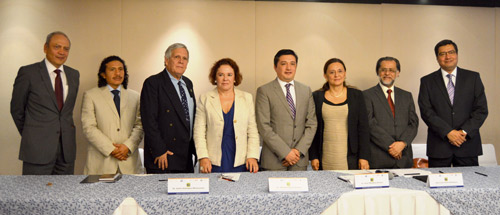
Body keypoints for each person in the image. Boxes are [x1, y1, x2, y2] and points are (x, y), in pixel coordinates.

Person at [10, 31, 80, 175]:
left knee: (65, 196)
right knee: (35, 195)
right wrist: (32, 134)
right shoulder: (28, 73)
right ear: (45, 48)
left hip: (66, 152)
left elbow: (66, 112)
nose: (62, 52)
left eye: (66, 49)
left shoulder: (74, 75)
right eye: (57, 47)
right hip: (37, 150)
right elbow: (17, 110)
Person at [418, 39, 488, 167]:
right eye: (442, 54)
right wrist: (448, 132)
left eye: (451, 52)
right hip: (439, 148)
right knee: (438, 186)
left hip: (467, 146)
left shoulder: (473, 78)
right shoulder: (427, 81)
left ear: (457, 54)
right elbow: (427, 112)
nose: (447, 56)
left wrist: (463, 132)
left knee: (471, 184)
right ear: (437, 57)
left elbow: (481, 110)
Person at [194, 58, 260, 173]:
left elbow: (252, 131)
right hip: (212, 161)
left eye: (229, 74)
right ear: (215, 78)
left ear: (235, 78)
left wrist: (253, 156)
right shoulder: (205, 98)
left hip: (241, 160)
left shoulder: (246, 98)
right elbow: (199, 132)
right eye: (221, 75)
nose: (225, 78)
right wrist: (203, 157)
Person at [255, 49, 317, 171]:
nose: (288, 68)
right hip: (274, 161)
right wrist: (285, 152)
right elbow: (264, 126)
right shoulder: (264, 91)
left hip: (299, 161)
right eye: (283, 64)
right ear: (275, 67)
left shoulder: (306, 90)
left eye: (292, 64)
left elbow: (312, 124)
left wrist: (297, 151)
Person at [81, 56, 143, 175]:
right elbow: (89, 128)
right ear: (103, 74)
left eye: (121, 69)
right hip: (101, 163)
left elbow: (139, 126)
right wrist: (112, 149)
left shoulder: (135, 97)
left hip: (129, 163)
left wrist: (127, 147)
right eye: (112, 69)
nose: (117, 73)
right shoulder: (90, 95)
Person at [140, 43, 197, 173]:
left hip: (185, 156)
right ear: (166, 60)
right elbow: (149, 121)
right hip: (164, 156)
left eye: (185, 58)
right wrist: (159, 150)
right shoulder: (153, 83)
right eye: (177, 57)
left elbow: (189, 118)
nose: (181, 61)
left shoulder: (188, 83)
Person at [309, 58, 370, 170]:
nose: (336, 75)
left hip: (351, 156)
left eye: (340, 71)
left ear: (345, 74)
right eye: (332, 72)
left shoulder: (356, 95)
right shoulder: (316, 97)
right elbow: (312, 128)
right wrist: (313, 156)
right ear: (325, 75)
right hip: (325, 155)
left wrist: (364, 157)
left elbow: (364, 129)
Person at [363, 57, 419, 169]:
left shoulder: (406, 96)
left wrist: (402, 144)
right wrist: (392, 147)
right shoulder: (367, 95)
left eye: (392, 70)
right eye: (383, 70)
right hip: (379, 158)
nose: (387, 73)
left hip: (403, 158)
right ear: (378, 72)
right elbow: (370, 124)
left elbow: (413, 123)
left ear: (397, 73)